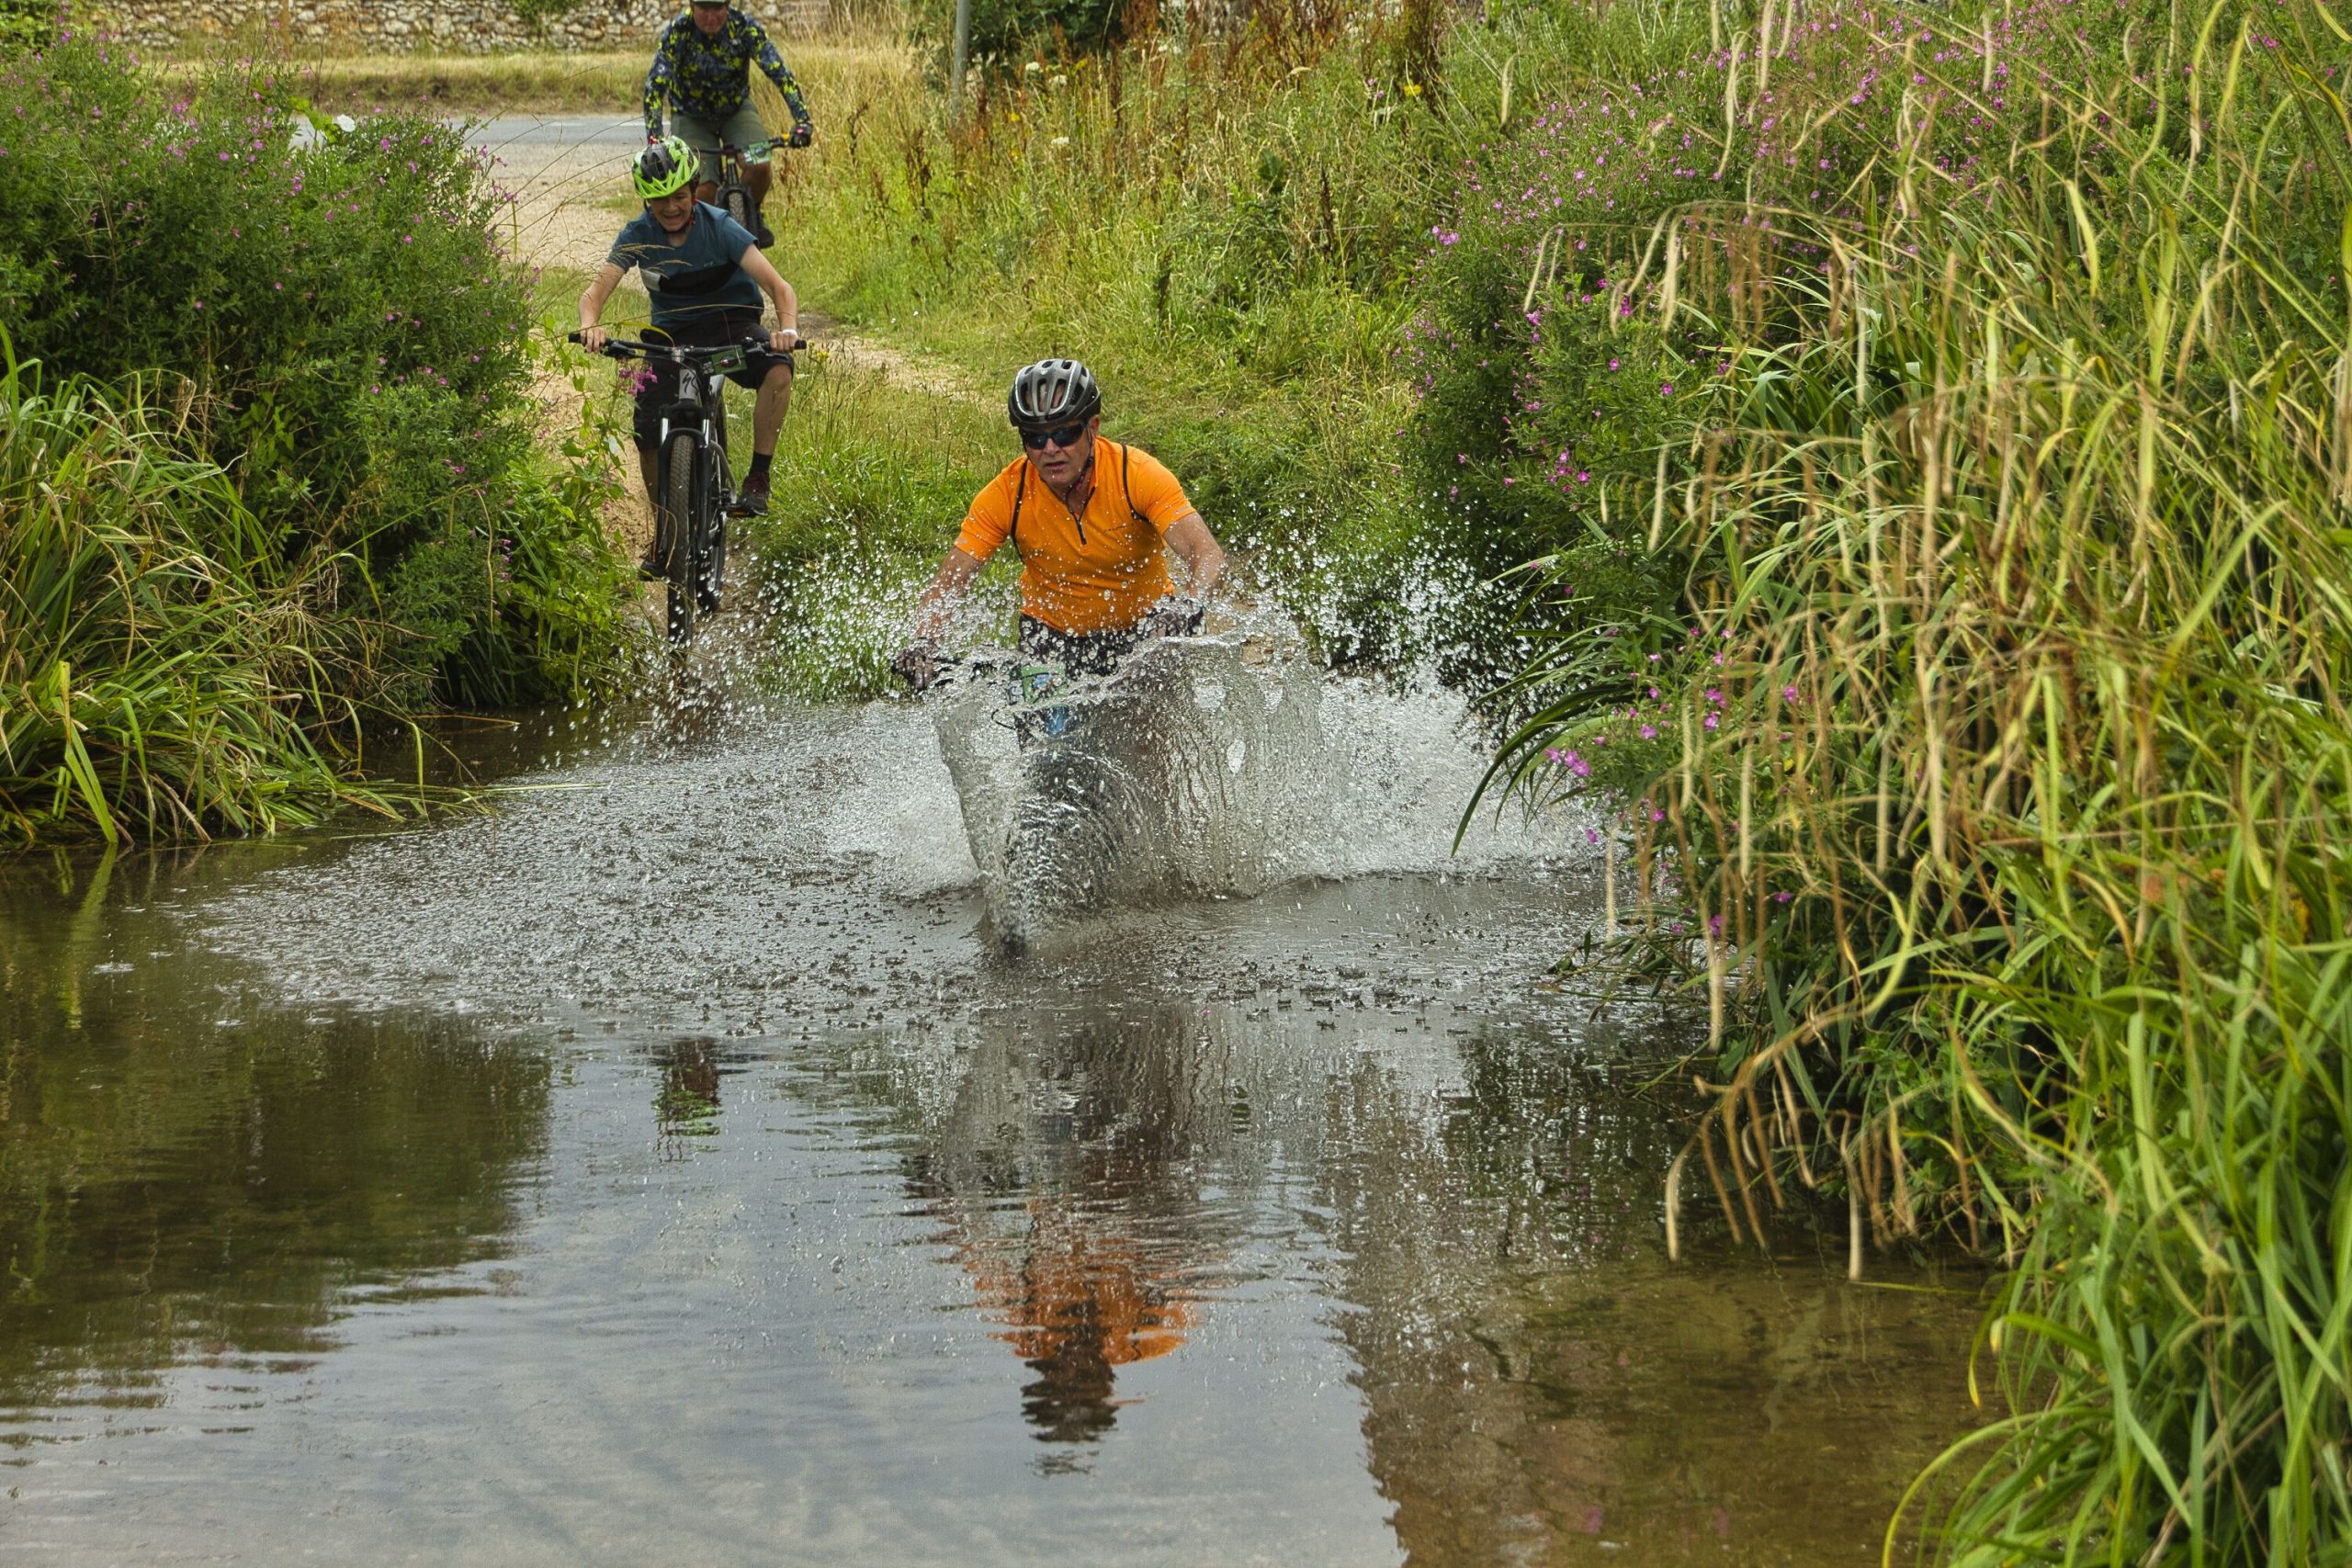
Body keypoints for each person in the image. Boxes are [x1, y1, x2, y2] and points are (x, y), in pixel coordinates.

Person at [895, 360, 1227, 689]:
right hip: (1049, 639)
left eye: (1064, 434)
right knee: (1049, 741)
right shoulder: (1007, 493)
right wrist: (924, 642)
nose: (1051, 449)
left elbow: (1208, 555)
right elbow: (949, 584)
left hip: (1147, 631)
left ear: (1092, 428)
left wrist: (1188, 607)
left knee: (1152, 737)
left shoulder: (1136, 475)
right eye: (1035, 439)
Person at [577, 137, 800, 571]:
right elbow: (594, 295)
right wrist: (591, 326)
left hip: (730, 330)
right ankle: (666, 533)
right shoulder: (637, 235)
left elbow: (780, 288)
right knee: (647, 425)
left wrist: (786, 329)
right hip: (670, 336)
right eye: (659, 199)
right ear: (646, 199)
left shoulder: (720, 226)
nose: (672, 206)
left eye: (680, 195)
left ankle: (757, 476)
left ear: (695, 191)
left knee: (777, 371)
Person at [642, 0, 814, 248]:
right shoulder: (677, 32)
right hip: (691, 116)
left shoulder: (744, 27)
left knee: (761, 163)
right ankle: (705, 241)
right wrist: (655, 140)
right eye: (704, 8)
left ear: (728, 6)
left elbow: (779, 72)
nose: (711, 16)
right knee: (702, 189)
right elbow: (654, 89)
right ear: (692, 7)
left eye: (718, 8)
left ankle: (751, 212)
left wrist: (803, 120)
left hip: (736, 109)